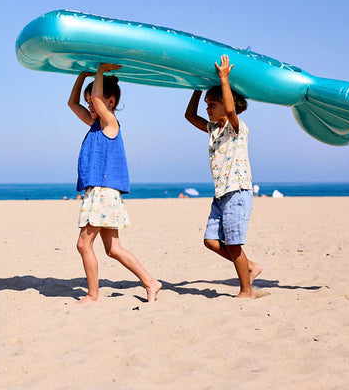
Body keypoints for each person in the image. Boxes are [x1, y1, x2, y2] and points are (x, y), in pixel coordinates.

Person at [67, 63, 162, 305]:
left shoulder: (111, 124)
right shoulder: (95, 125)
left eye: (94, 102)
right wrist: (82, 75)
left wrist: (100, 69)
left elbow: (97, 98)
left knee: (83, 243)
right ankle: (151, 282)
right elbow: (71, 103)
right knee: (113, 249)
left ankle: (93, 295)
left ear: (110, 102)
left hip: (102, 191)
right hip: (101, 192)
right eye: (88, 102)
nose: (90, 105)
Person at [185, 55, 263, 298]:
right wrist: (197, 90)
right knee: (210, 241)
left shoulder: (236, 126)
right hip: (221, 193)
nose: (208, 107)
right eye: (207, 103)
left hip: (238, 190)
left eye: (212, 103)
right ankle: (250, 266)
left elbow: (229, 109)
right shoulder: (213, 129)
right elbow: (189, 116)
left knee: (233, 242)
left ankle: (246, 290)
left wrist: (224, 79)